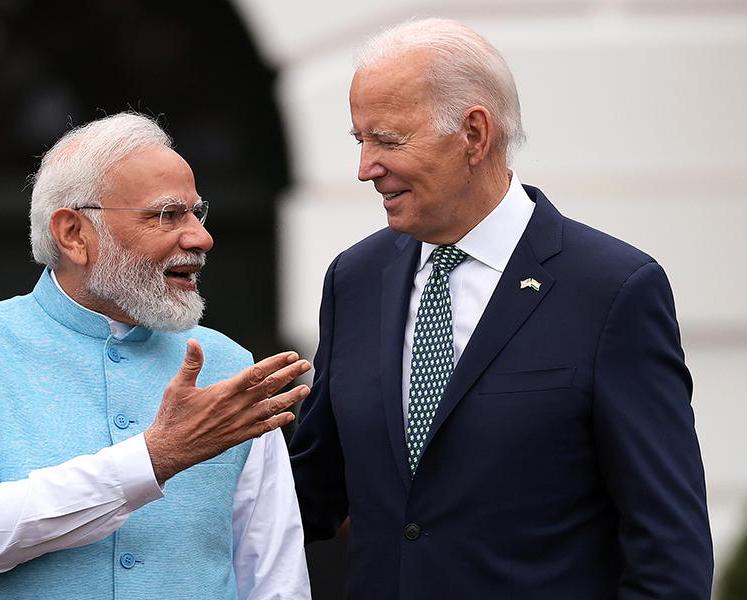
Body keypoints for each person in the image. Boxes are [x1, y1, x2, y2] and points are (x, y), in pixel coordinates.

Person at [289, 17, 713, 599]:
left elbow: (668, 548)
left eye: (387, 140)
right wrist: (164, 465)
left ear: (474, 134)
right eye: (359, 140)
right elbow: (308, 492)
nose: (365, 167)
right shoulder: (354, 280)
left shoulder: (613, 289)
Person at [0, 111, 312, 599]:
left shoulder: (230, 366)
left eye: (195, 212)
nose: (200, 237)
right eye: (167, 215)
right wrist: (155, 457)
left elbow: (274, 577)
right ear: (74, 233)